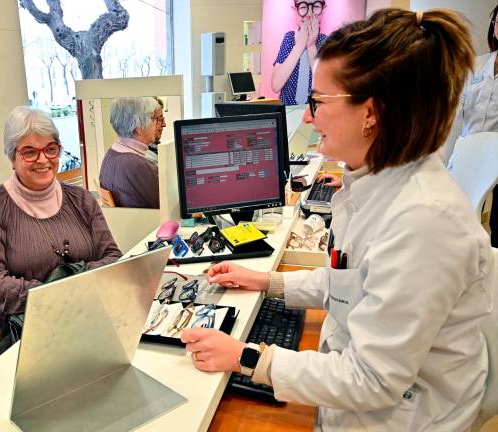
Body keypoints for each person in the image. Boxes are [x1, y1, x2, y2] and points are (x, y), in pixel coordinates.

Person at [182, 9, 493, 430]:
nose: (308, 117)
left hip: (399, 416)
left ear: (372, 113)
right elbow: (349, 280)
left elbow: (373, 379)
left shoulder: (424, 221)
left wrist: (245, 356)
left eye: (317, 102)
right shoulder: (375, 183)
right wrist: (266, 282)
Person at [0, 106, 122, 335]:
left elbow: (113, 258)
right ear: (12, 157)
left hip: (90, 317)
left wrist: (69, 284)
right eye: (30, 152)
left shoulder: (81, 199)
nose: (43, 159)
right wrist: (52, 294)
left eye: (50, 149)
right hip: (30, 328)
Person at [451, 3, 498, 246]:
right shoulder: (477, 64)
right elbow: (456, 106)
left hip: (496, 157)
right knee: (461, 219)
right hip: (467, 153)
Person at [99, 97, 163, 208]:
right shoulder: (138, 166)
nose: (158, 124)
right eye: (155, 119)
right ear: (138, 126)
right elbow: (169, 204)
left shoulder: (112, 152)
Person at [272, 0, 328, 105]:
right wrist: (299, 46)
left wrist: (311, 46)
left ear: (323, 10)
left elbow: (327, 86)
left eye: (316, 6)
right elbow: (276, 85)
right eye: (303, 7)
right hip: (287, 111)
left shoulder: (326, 42)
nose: (309, 13)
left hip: (315, 111)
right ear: (295, 11)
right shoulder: (289, 38)